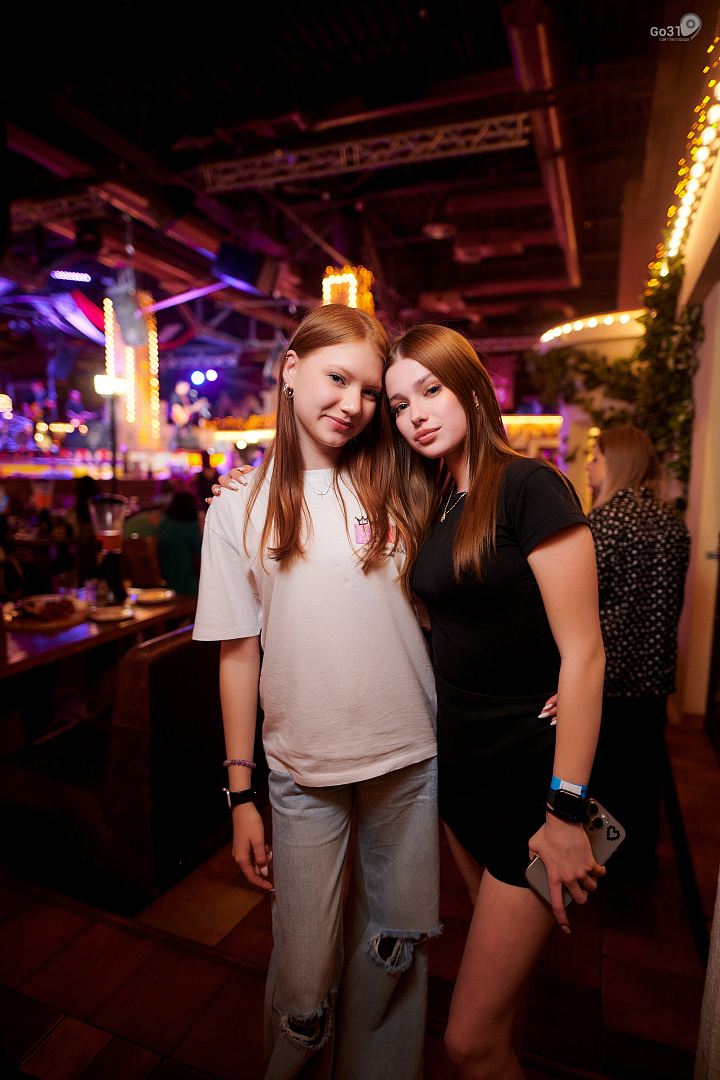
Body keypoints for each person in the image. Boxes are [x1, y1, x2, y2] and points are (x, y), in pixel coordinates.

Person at [193, 305, 439, 1079]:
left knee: (394, 955)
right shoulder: (236, 505)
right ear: (291, 368)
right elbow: (238, 655)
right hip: (300, 772)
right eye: (338, 378)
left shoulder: (401, 480)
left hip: (409, 757)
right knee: (303, 985)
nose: (353, 404)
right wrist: (241, 794)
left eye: (369, 391)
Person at [383, 324, 605, 1080]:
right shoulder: (440, 499)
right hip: (463, 774)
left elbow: (585, 653)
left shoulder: (529, 485)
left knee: (467, 1040)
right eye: (400, 404)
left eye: (431, 390)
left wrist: (567, 811)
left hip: (529, 780)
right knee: (502, 1010)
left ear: (474, 388)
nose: (416, 414)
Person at [587, 425, 690, 881]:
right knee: (644, 772)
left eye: (596, 457)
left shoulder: (604, 522)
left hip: (607, 674)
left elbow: (584, 603)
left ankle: (601, 861)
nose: (590, 466)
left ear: (617, 462)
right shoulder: (672, 522)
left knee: (604, 772)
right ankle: (640, 860)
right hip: (654, 674)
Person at [157, 490, 203, 596]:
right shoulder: (191, 525)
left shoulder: (164, 522)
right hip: (185, 579)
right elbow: (199, 550)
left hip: (164, 572)